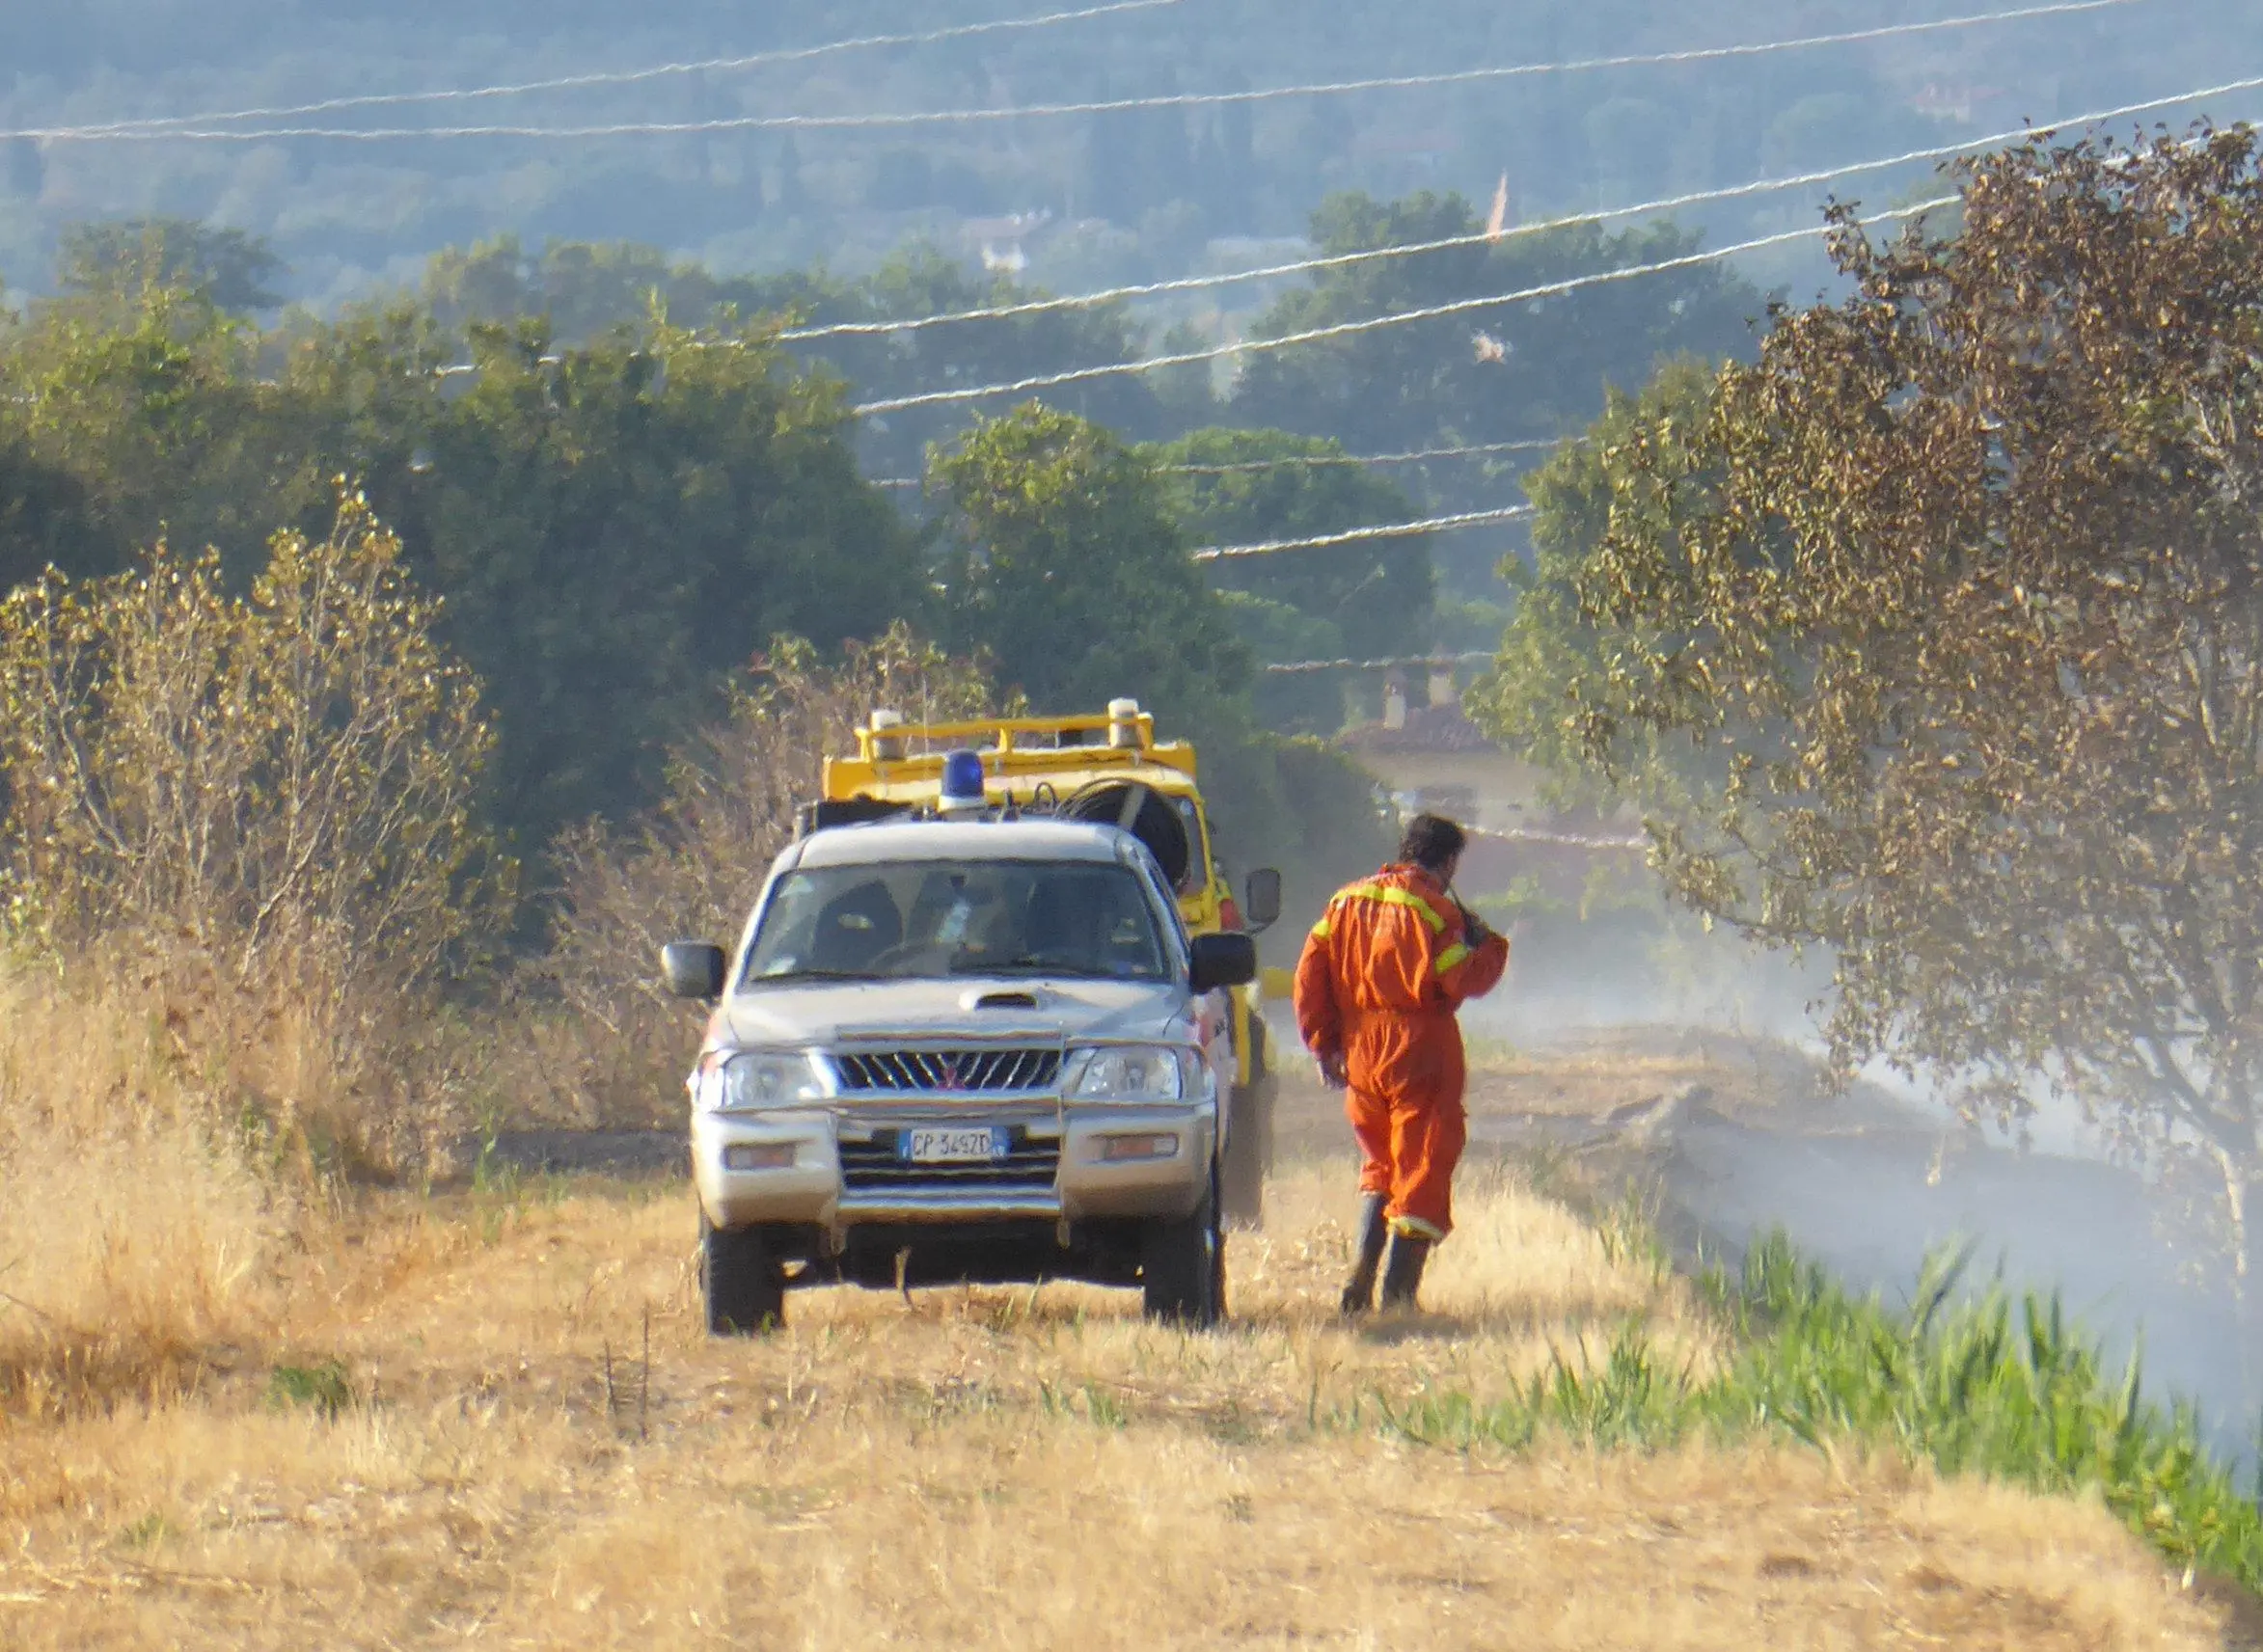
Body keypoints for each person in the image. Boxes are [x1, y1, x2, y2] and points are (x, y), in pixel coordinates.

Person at [1293, 813, 1510, 1313]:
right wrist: (1492, 947)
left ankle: (1359, 1281)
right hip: (1420, 1048)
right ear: (1448, 861)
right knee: (1422, 1166)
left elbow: (1309, 978)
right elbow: (1465, 981)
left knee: (1380, 1165)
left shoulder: (1344, 901)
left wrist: (1324, 1043)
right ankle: (1397, 1298)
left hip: (1363, 1050)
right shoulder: (1436, 911)